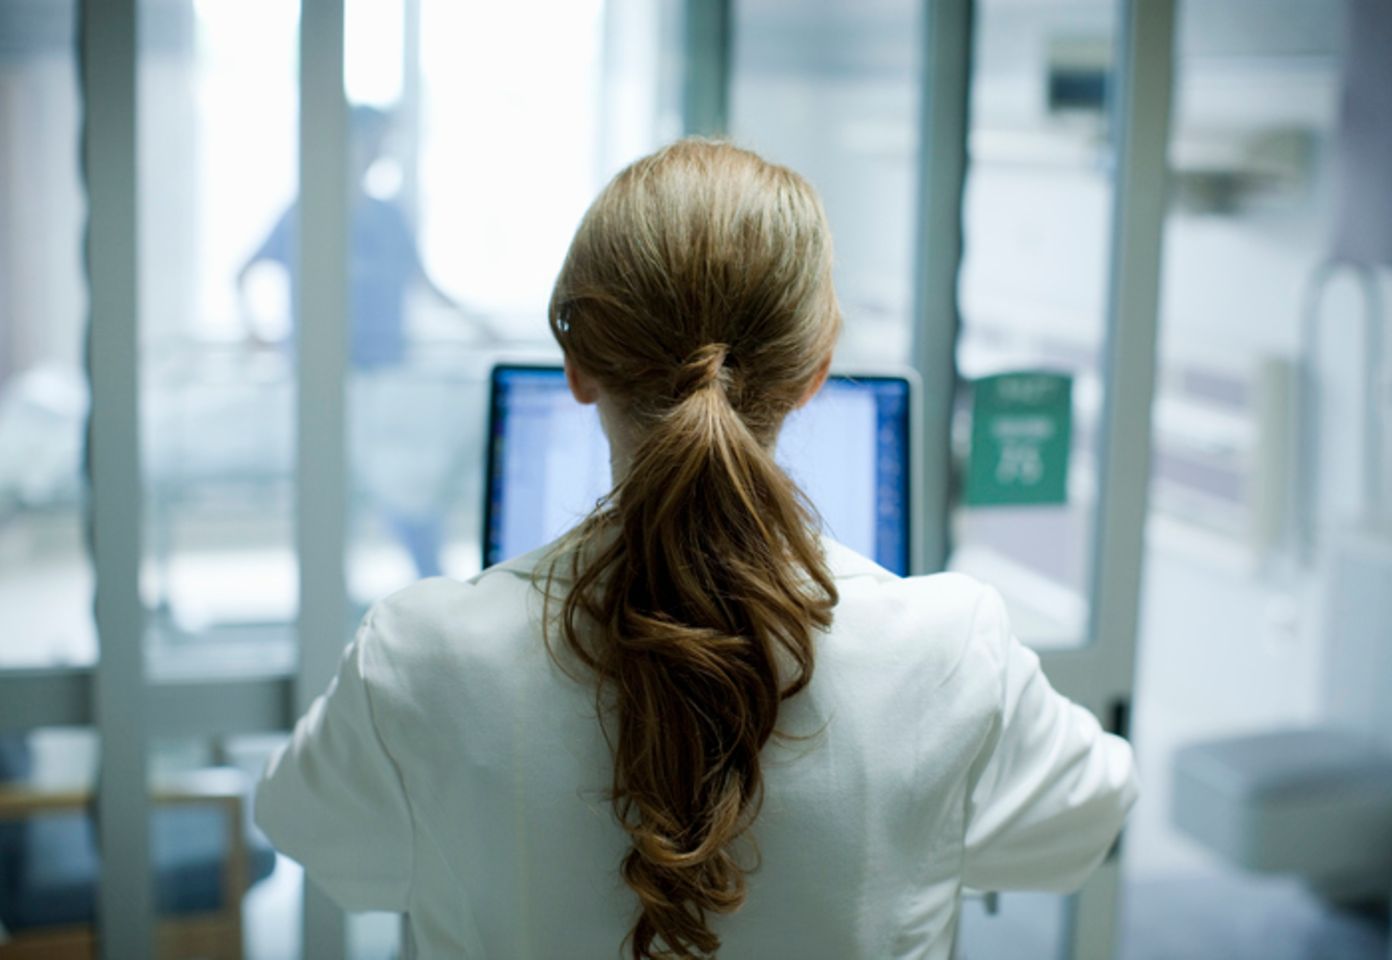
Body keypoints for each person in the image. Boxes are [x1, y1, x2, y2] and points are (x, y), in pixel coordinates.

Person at [255, 139, 1137, 959]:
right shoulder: (948, 649)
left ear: (578, 363)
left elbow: (313, 833)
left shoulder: (421, 654)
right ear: (816, 371)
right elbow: (1090, 817)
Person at [237, 104, 473, 579]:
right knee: (349, 495)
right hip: (326, 382)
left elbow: (422, 283)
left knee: (407, 490)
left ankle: (431, 584)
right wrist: (254, 333)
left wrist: (479, 326)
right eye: (371, 142)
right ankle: (340, 592)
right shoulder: (305, 215)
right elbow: (243, 274)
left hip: (384, 380)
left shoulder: (387, 219)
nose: (377, 153)